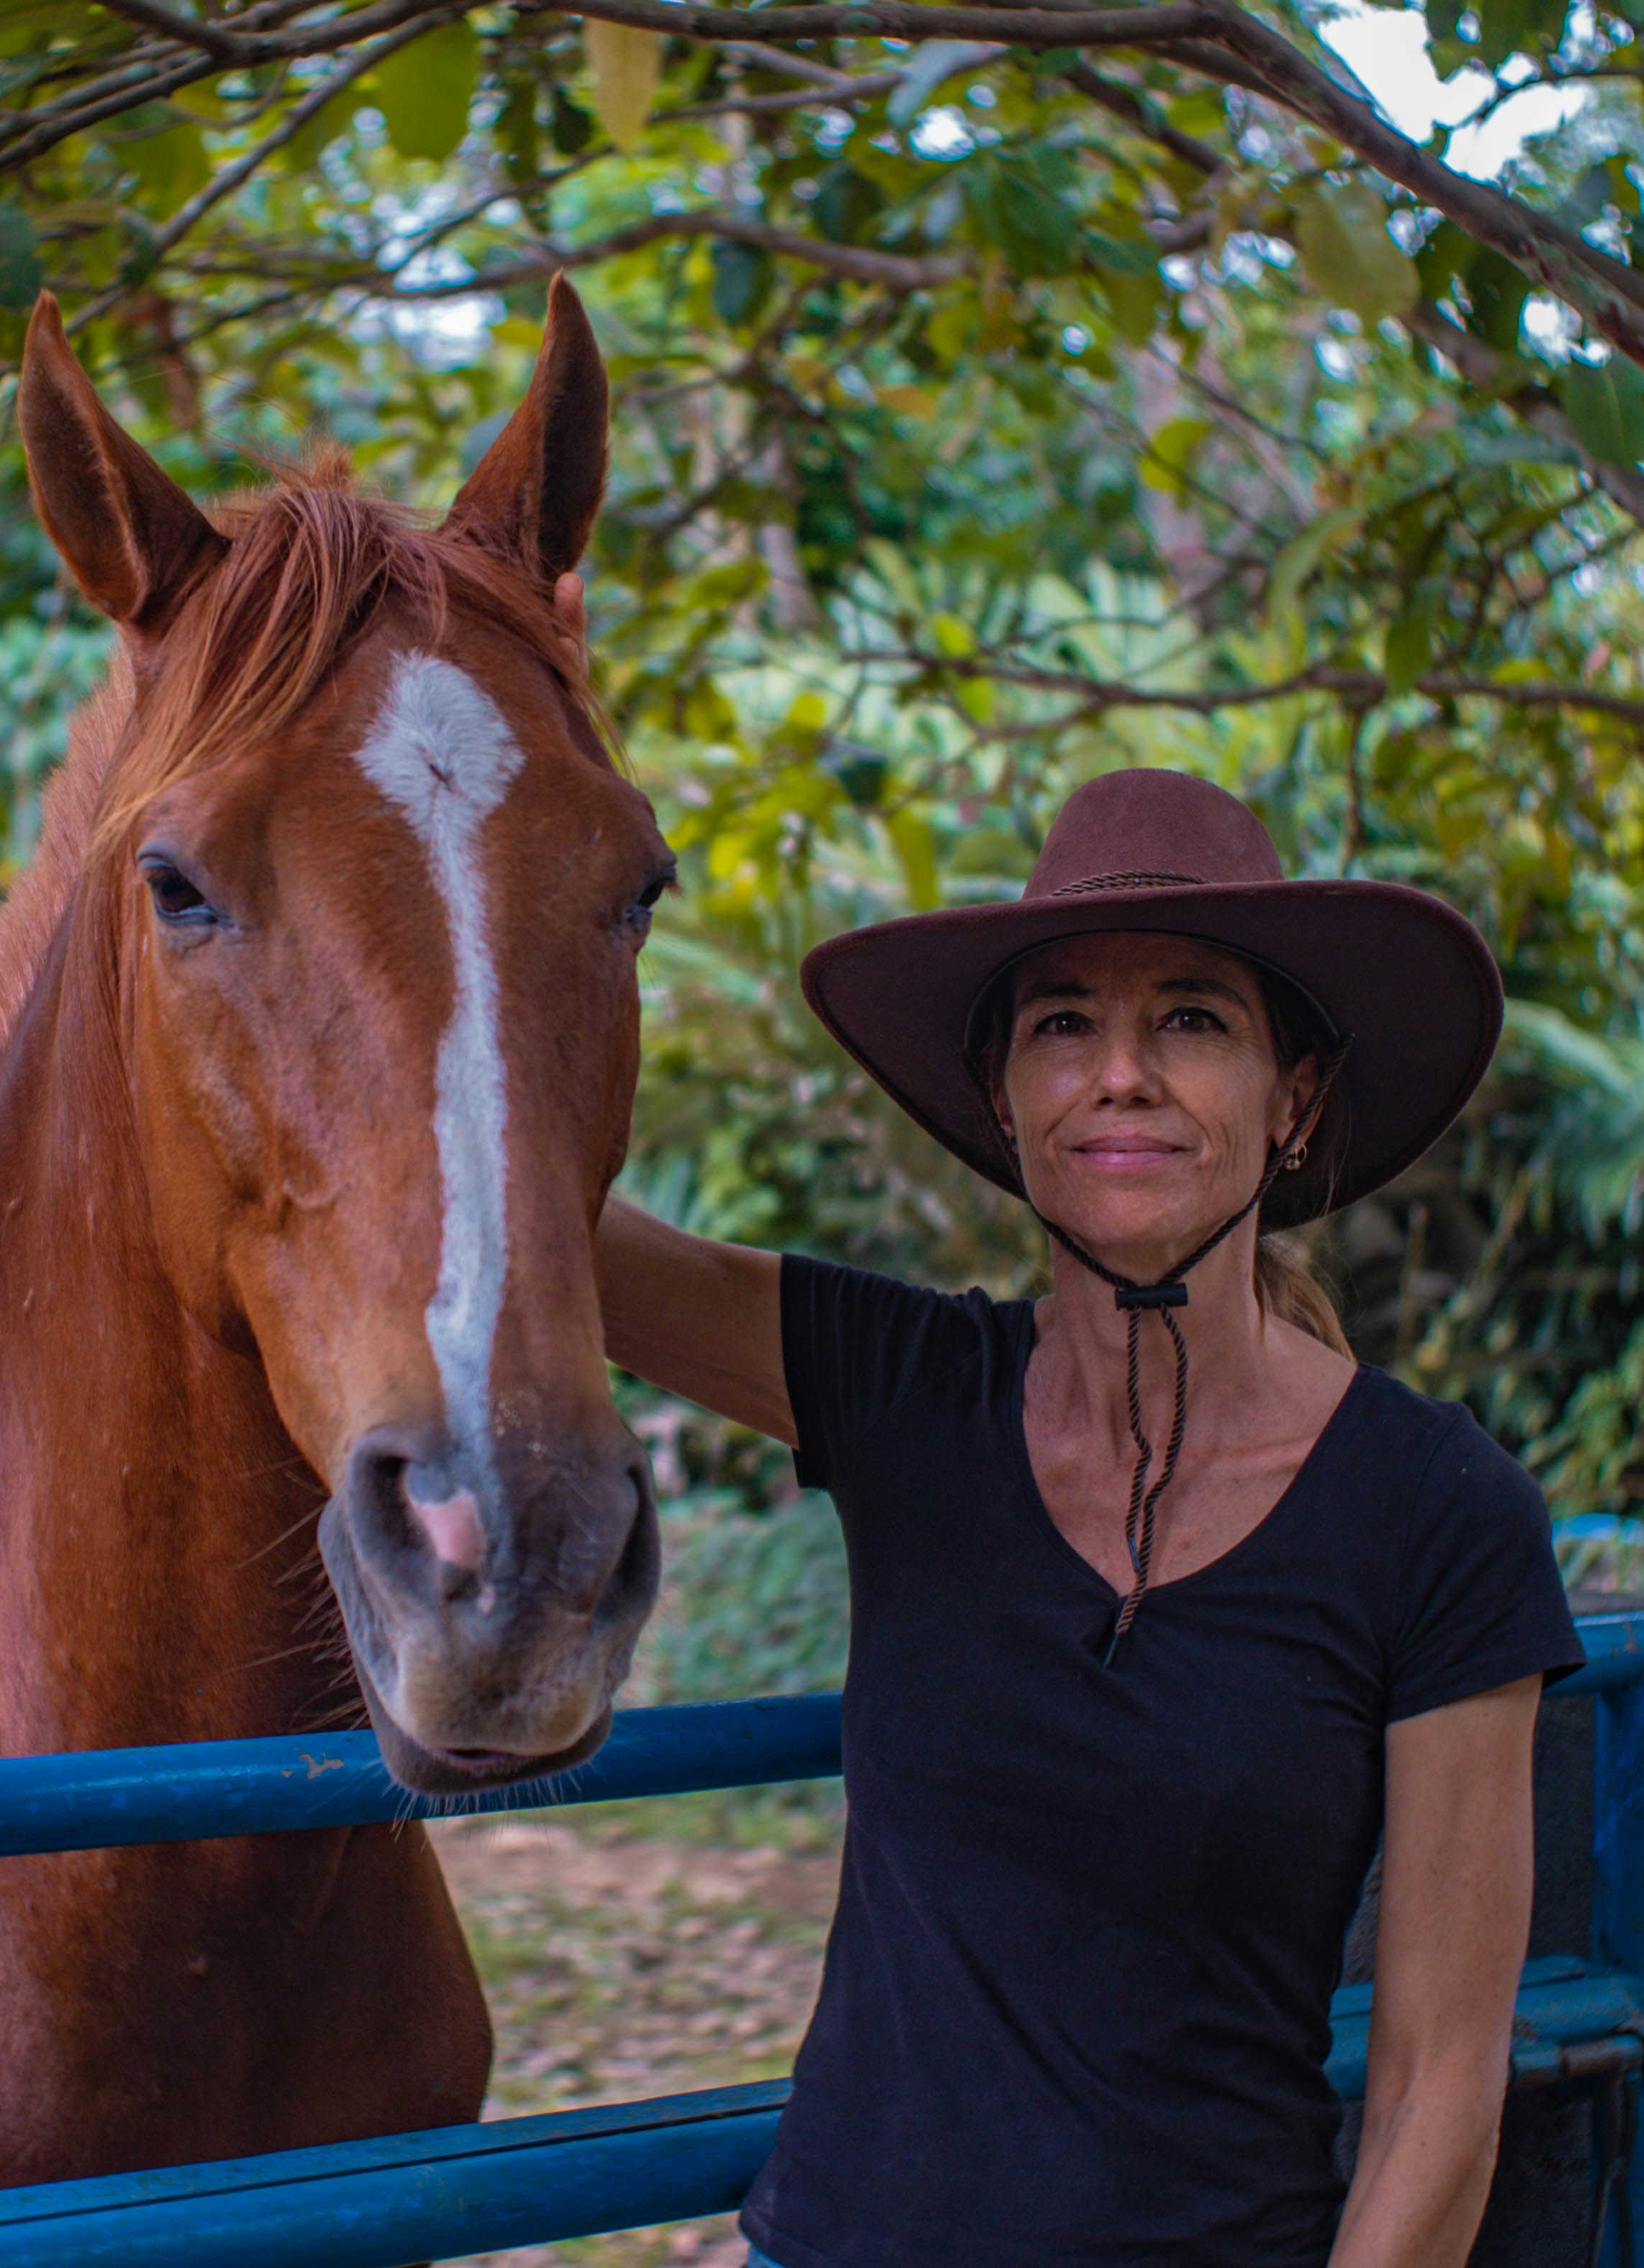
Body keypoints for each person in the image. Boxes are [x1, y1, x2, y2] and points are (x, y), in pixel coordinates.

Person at [597, 766, 1587, 2268]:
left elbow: (1439, 2090)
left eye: (1193, 1018)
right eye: (1064, 1023)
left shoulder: (1439, 1516)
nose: (1122, 1073)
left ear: (1295, 1094)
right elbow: (534, 1221)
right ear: (1006, 1095)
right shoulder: (902, 1389)